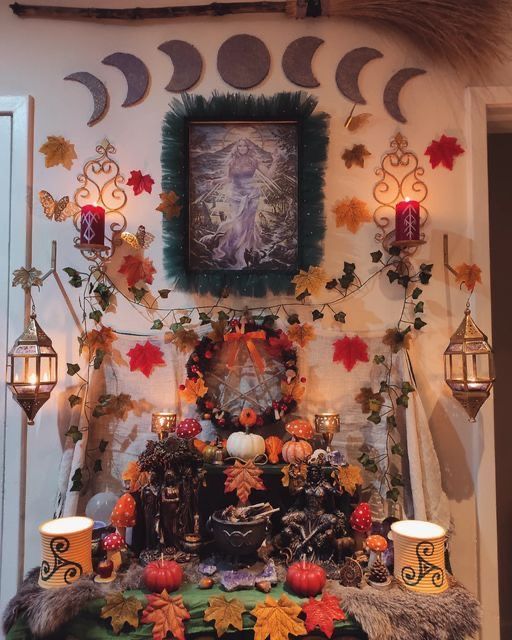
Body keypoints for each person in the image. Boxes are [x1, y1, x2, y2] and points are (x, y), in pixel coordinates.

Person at [211, 138, 274, 269]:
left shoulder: (254, 161)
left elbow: (268, 175)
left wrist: (276, 162)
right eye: (239, 146)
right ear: (237, 148)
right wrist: (215, 181)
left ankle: (245, 255)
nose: (242, 148)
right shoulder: (231, 162)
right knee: (238, 225)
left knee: (247, 226)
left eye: (244, 146)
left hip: (251, 196)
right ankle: (229, 253)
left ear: (248, 147)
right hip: (235, 196)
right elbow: (228, 178)